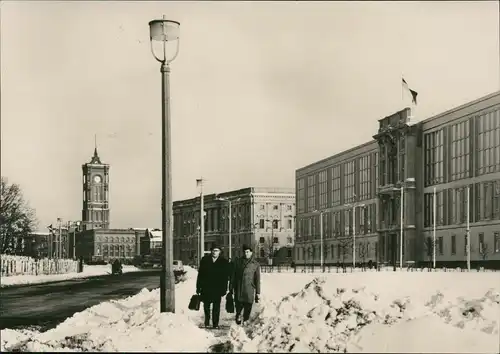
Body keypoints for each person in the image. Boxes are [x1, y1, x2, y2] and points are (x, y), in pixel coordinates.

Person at [196, 244, 230, 329]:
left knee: (216, 307)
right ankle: (207, 322)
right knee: (206, 306)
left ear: (220, 252)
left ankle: (215, 324)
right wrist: (198, 287)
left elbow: (225, 277)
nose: (215, 252)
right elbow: (200, 275)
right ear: (211, 251)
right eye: (213, 250)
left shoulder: (224, 262)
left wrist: (224, 289)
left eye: (217, 251)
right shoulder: (205, 260)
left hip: (217, 288)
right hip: (206, 287)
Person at [229, 244, 261, 325]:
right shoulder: (238, 262)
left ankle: (246, 320)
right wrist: (231, 288)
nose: (246, 253)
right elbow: (233, 275)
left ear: (251, 253)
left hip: (249, 288)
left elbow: (257, 279)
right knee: (238, 304)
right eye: (244, 252)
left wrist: (258, 292)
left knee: (248, 305)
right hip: (239, 287)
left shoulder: (255, 264)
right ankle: (238, 315)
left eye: (247, 252)